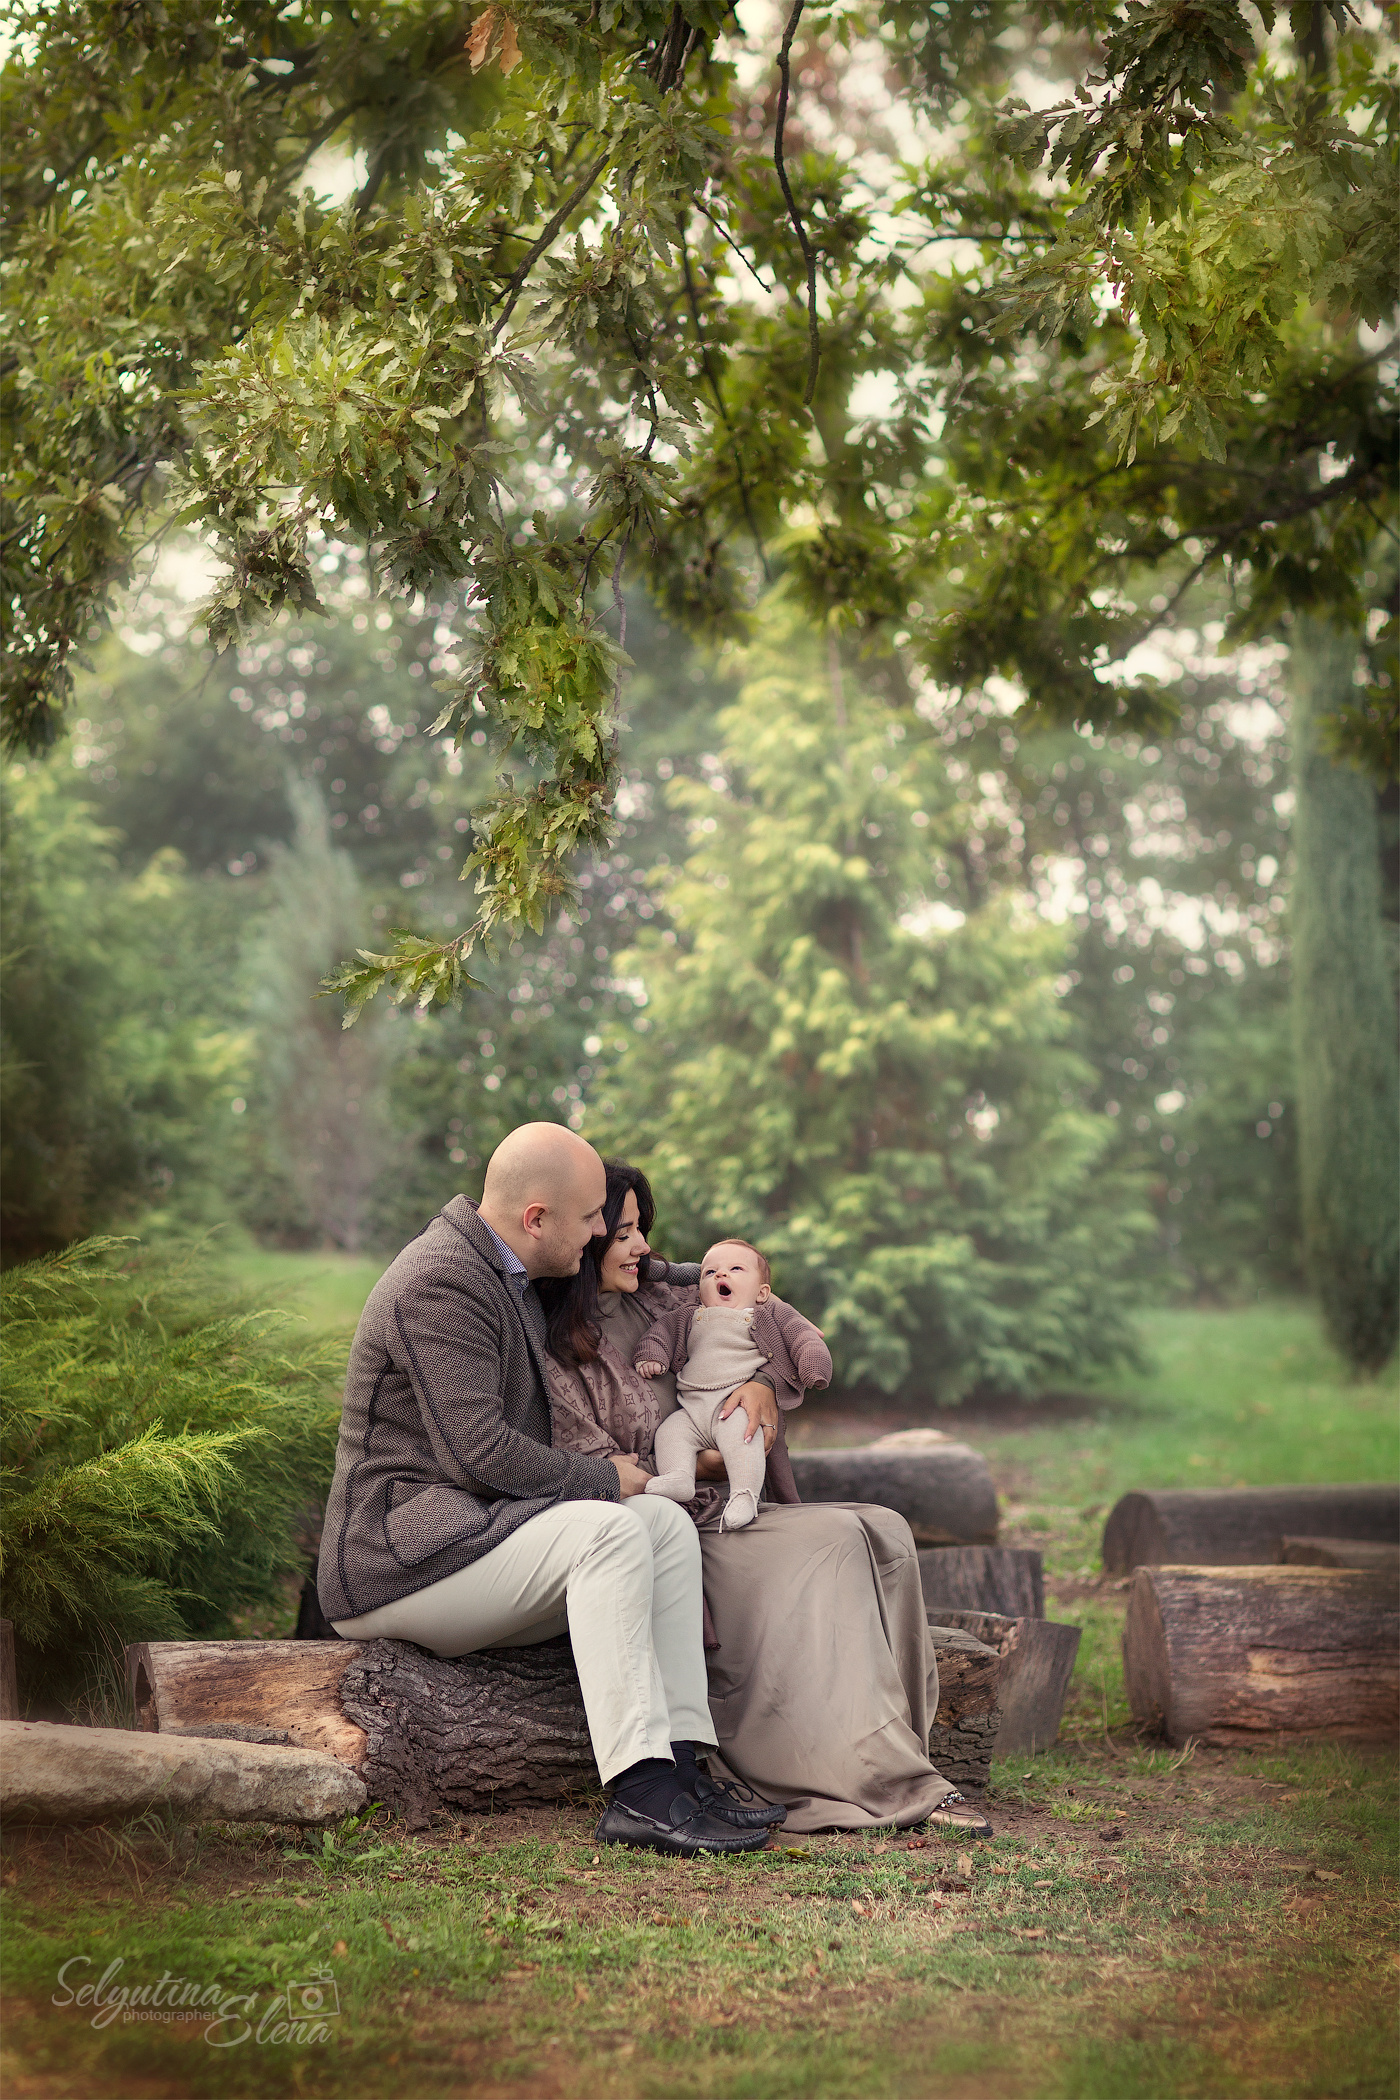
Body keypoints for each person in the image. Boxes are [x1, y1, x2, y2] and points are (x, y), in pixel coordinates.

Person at [316, 1123, 775, 1858]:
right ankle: (643, 1793)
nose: (599, 1234)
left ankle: (683, 1768)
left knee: (660, 1520)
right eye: (592, 1217)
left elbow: (658, 1270)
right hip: (397, 1562)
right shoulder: (440, 1283)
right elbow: (477, 1454)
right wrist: (603, 1476)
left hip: (474, 1534)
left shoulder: (507, 1265)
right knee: (611, 1525)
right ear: (536, 1218)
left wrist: (736, 1296)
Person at [538, 1162, 994, 1837]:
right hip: (662, 1526)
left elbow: (765, 1325)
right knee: (835, 1543)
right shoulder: (556, 1347)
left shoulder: (660, 1298)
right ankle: (876, 1780)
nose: (642, 1247)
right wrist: (705, 1459)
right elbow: (597, 1472)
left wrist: (763, 1391)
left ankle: (906, 1752)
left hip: (720, 1502)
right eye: (624, 1232)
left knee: (888, 1529)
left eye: (641, 1230)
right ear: (585, 1235)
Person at [635, 1239, 832, 1530]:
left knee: (744, 1437)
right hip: (692, 1410)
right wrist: (652, 1355)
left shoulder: (767, 1315)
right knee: (670, 1433)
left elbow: (802, 1336)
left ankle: (744, 1495)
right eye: (709, 1272)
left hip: (735, 1405)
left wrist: (814, 1366)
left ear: (763, 1292)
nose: (721, 1274)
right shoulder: (688, 1316)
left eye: (736, 1269)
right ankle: (679, 1477)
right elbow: (659, 1334)